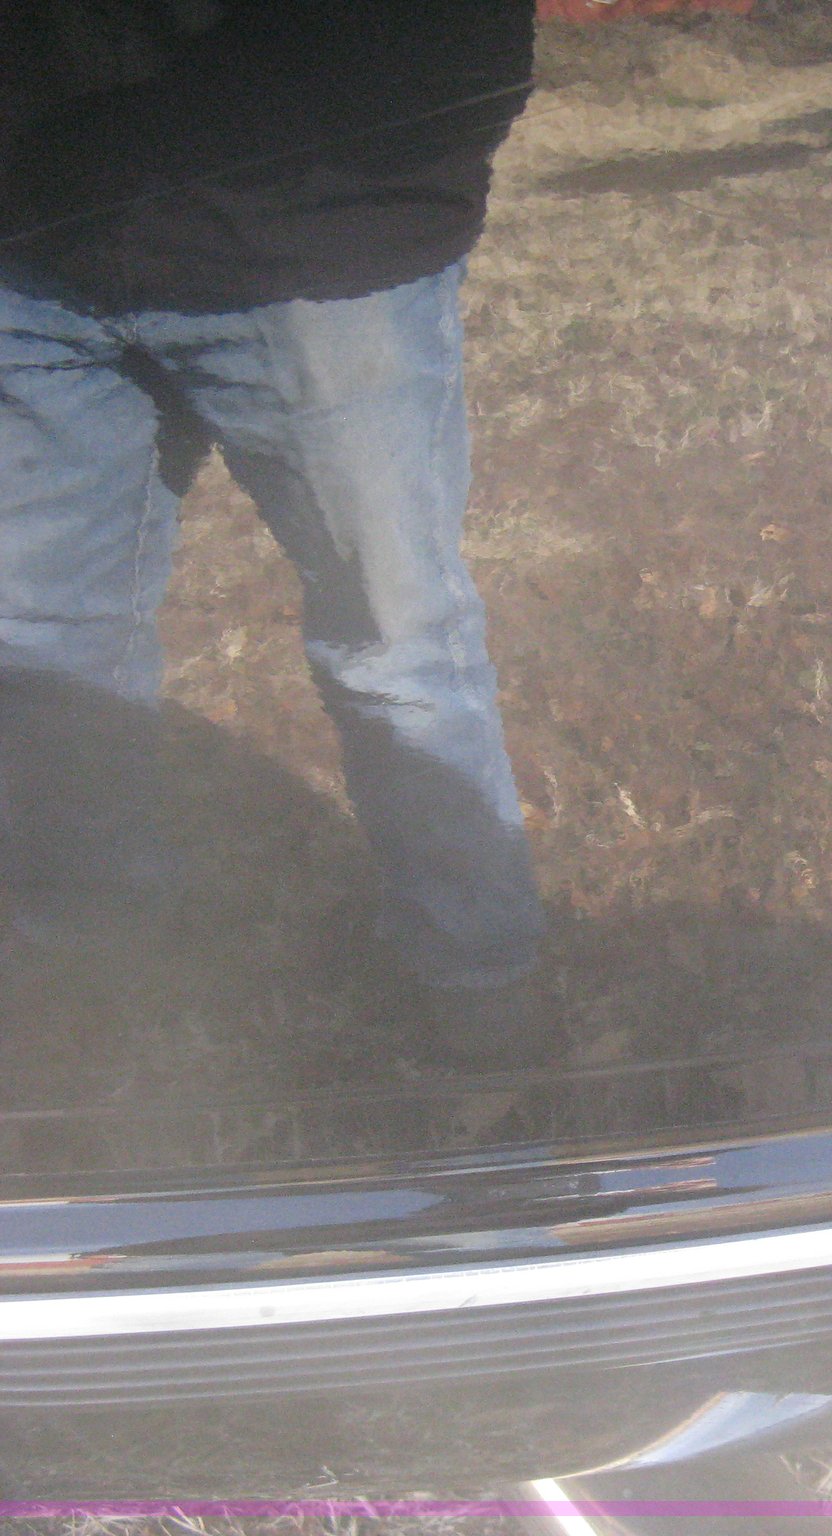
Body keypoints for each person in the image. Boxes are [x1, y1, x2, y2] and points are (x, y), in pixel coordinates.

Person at [0, 1, 550, 1069]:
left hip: (314, 225)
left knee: (396, 644)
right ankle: (86, 975)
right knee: (40, 646)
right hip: (31, 240)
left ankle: (480, 985)